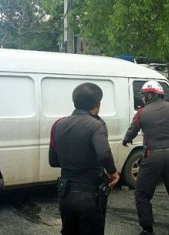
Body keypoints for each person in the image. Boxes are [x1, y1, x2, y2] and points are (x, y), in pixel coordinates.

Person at [123, 80, 169, 235]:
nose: (143, 98)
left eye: (144, 95)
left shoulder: (141, 113)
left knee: (142, 194)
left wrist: (126, 140)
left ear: (149, 95)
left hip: (152, 156)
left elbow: (132, 131)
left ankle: (147, 229)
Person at [49, 83, 120, 235]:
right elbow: (103, 154)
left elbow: (53, 161)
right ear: (98, 103)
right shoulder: (96, 125)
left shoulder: (58, 124)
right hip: (90, 192)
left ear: (75, 101)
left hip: (65, 192)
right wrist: (113, 173)